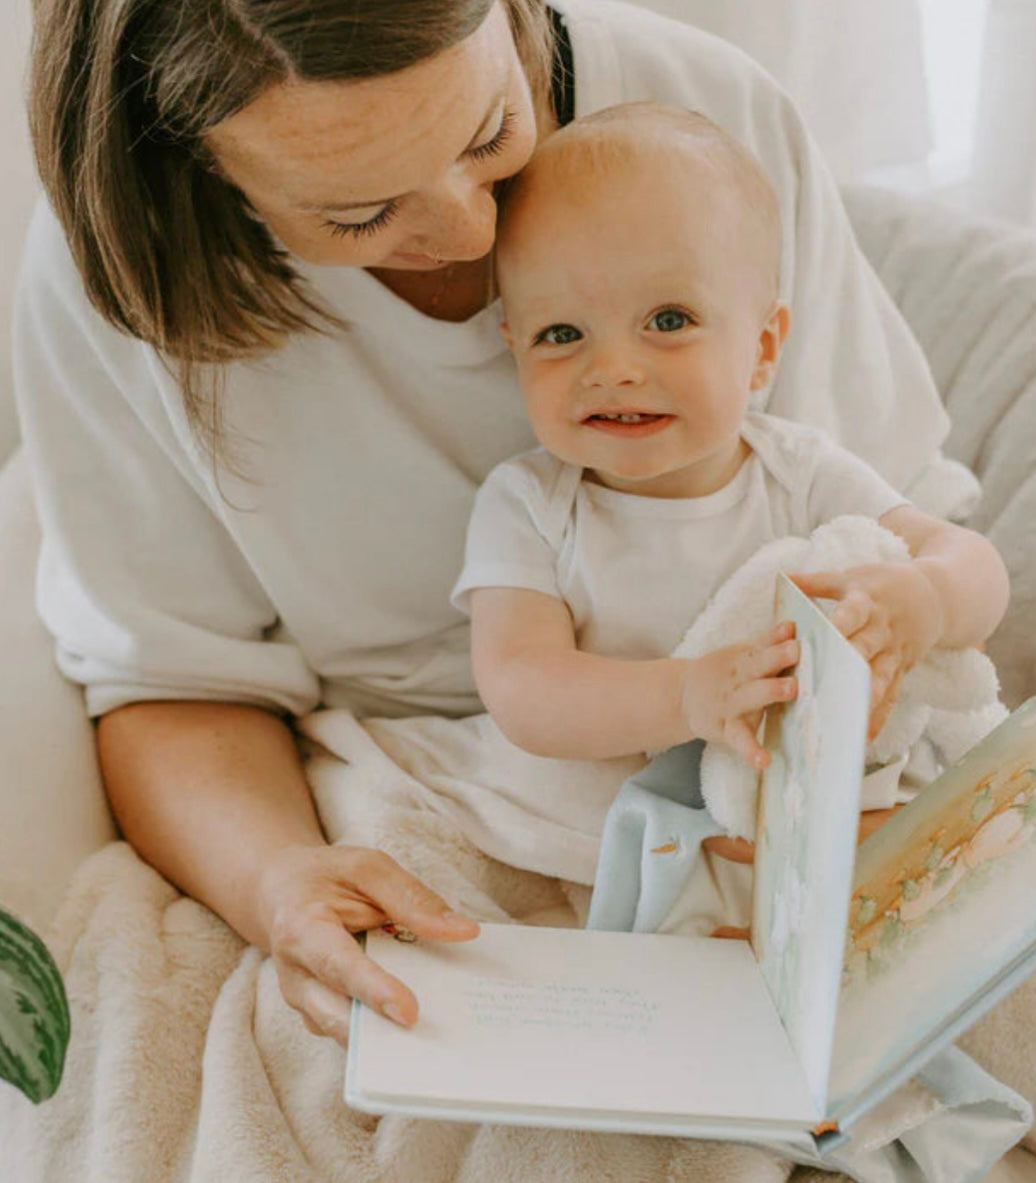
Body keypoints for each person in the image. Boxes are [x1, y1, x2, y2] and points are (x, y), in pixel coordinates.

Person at [19, 0, 962, 1048]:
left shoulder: (709, 112)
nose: (475, 235)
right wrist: (281, 882)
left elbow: (895, 541)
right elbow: (175, 680)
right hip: (431, 788)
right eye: (357, 213)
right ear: (199, 179)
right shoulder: (124, 284)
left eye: (489, 133)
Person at [455, 103, 1010, 775]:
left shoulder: (798, 472)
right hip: (618, 817)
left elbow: (970, 561)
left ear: (761, 348)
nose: (613, 370)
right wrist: (684, 695)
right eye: (561, 335)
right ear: (514, 350)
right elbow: (522, 688)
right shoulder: (530, 505)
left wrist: (926, 598)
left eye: (667, 319)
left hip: (793, 798)